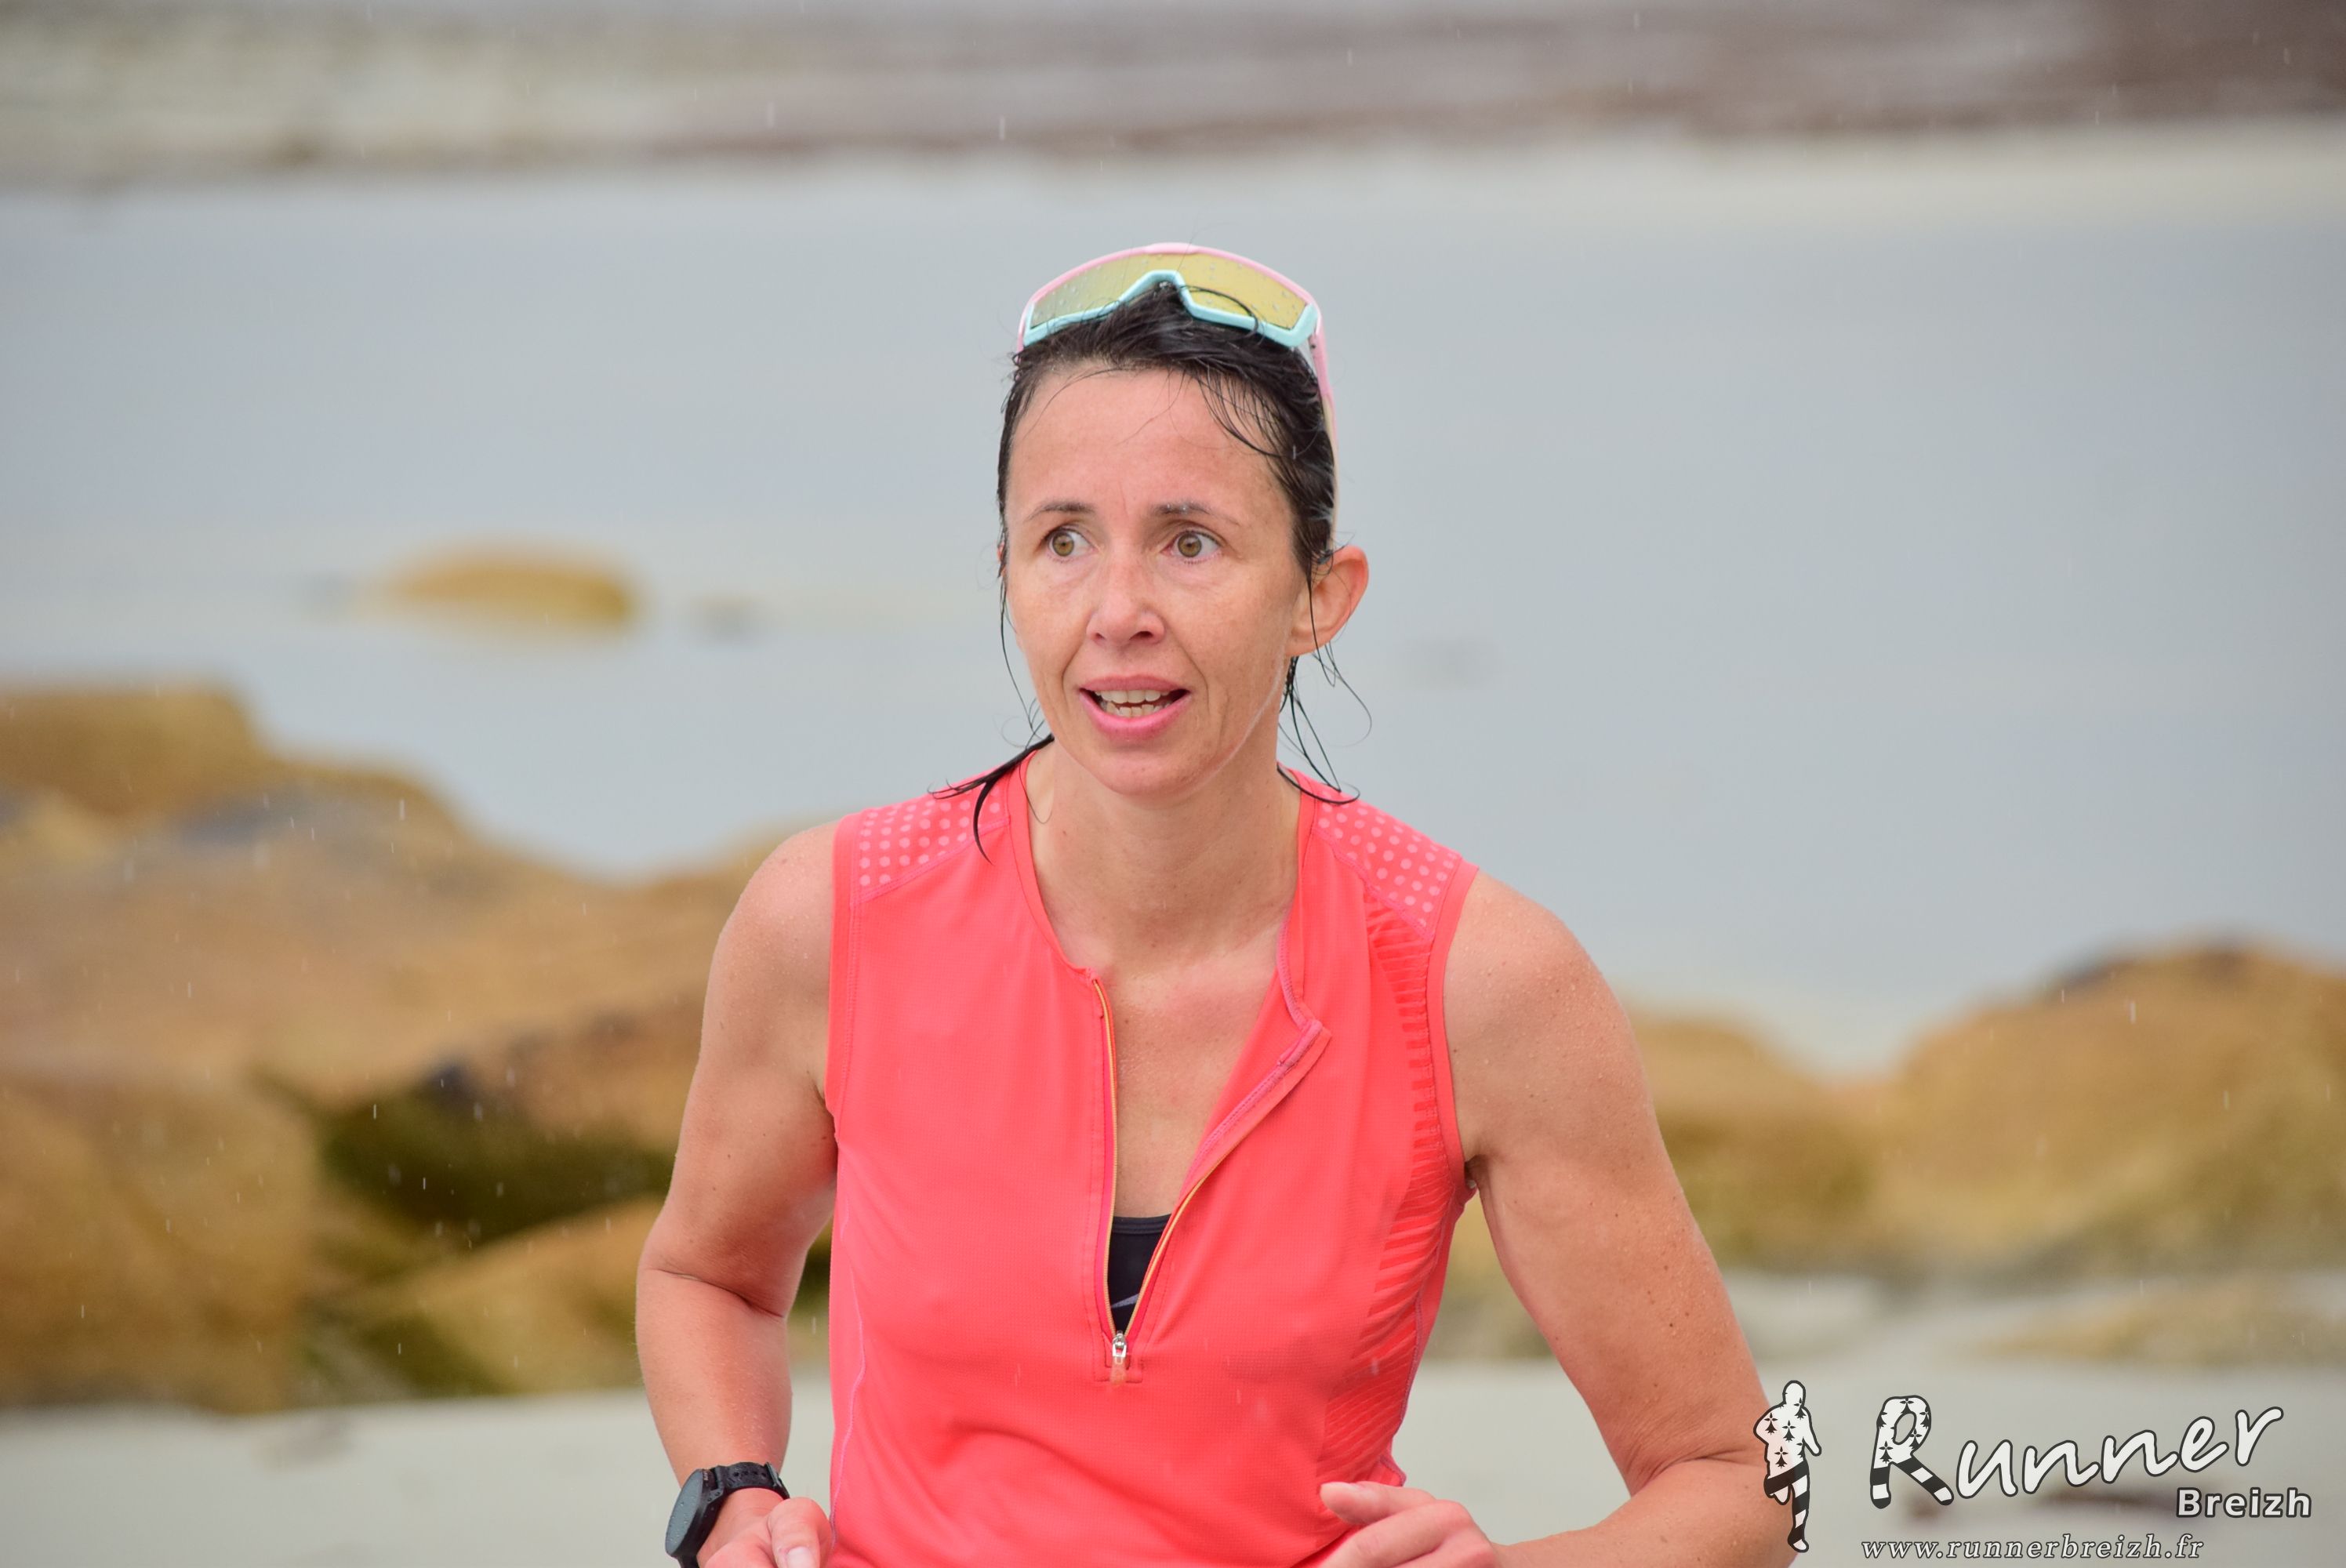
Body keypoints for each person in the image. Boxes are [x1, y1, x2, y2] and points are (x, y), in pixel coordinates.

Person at [636, 243, 1790, 1567]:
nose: (1117, 610)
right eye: (1064, 540)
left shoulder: (1478, 982)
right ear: (1007, 571)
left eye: (1191, 543)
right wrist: (731, 1495)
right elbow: (708, 1276)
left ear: (1318, 597)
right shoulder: (833, 919)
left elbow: (1745, 1484)